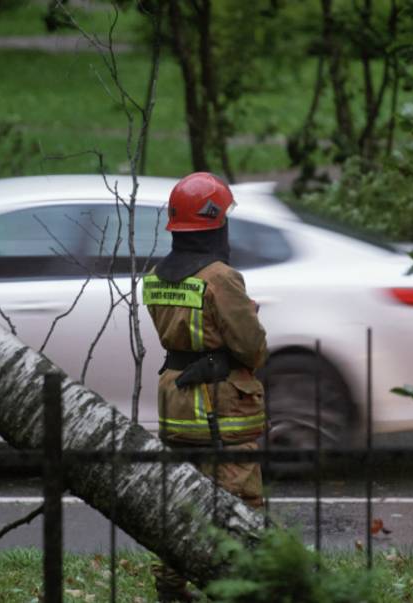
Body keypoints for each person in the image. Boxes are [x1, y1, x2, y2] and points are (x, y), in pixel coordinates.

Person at [143, 172, 268, 602]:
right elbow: (252, 348)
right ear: (217, 224)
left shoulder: (156, 277)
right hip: (222, 409)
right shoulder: (222, 279)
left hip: (177, 405)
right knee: (237, 502)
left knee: (180, 503)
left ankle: (171, 588)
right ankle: (237, 587)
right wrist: (249, 313)